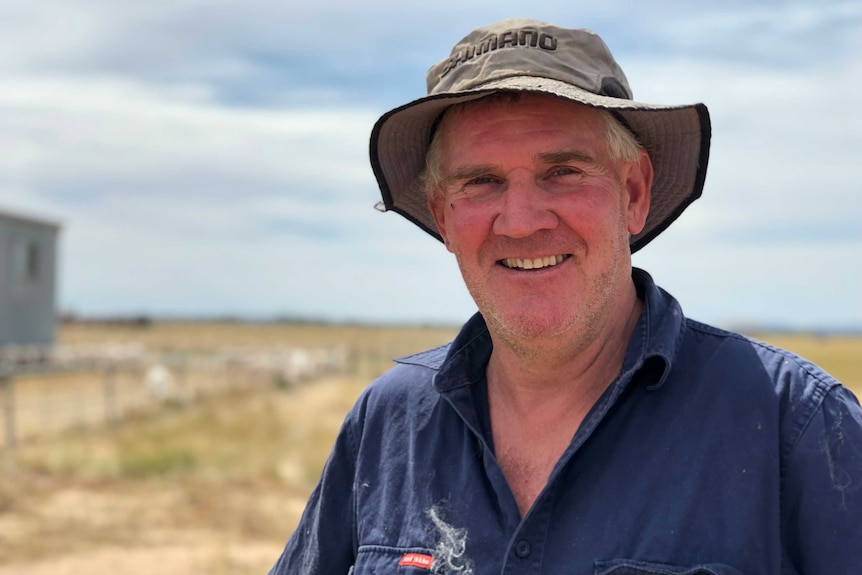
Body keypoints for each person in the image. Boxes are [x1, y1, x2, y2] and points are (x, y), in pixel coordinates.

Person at [270, 18, 862, 575]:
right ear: (443, 218)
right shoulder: (388, 422)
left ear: (634, 191)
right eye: (482, 182)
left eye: (564, 172)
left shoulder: (797, 423)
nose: (521, 221)